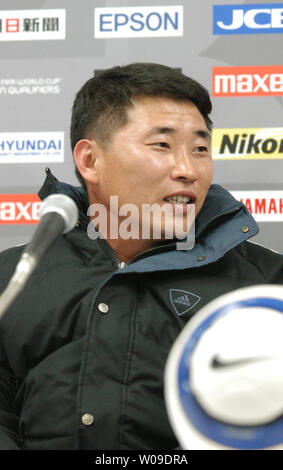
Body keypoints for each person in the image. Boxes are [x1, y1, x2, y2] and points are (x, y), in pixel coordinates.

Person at [0, 62, 282, 450]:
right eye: (162, 145)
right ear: (90, 161)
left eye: (200, 149)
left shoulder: (265, 285)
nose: (187, 169)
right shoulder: (13, 278)